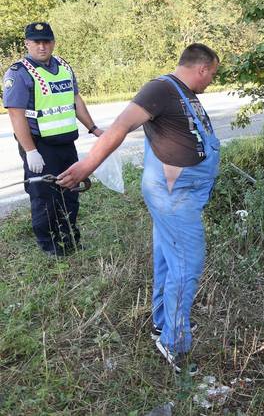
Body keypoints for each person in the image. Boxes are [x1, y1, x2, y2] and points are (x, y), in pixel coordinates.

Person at [58, 43, 220, 375]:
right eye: (212, 75)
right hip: (174, 197)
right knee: (187, 264)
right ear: (202, 68)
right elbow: (120, 127)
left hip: (180, 196)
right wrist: (86, 166)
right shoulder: (161, 89)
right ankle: (174, 342)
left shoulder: (182, 92)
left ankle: (162, 325)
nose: (211, 82)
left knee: (168, 259)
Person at [2, 22, 103, 256]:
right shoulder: (19, 73)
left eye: (46, 41)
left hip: (66, 143)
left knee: (70, 192)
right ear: (27, 43)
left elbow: (75, 99)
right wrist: (30, 151)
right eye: (36, 42)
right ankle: (50, 247)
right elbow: (16, 115)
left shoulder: (64, 67)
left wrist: (94, 128)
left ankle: (70, 240)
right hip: (39, 146)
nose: (42, 46)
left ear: (53, 42)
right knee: (45, 198)